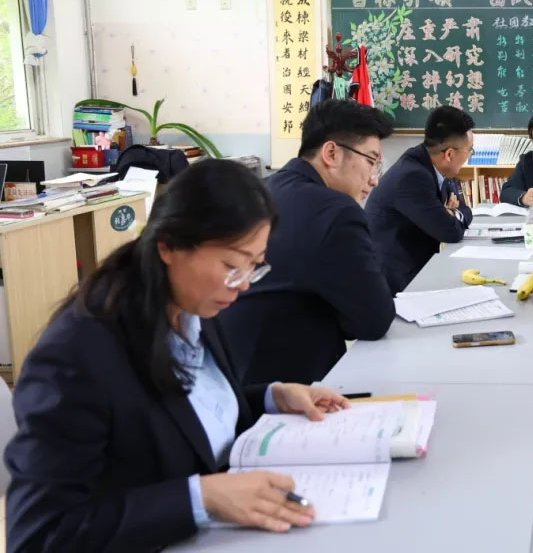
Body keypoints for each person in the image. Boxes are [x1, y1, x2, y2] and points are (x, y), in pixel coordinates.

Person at [4, 160, 352, 551]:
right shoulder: (76, 358)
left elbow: (186, 419)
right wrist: (201, 497)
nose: (242, 285)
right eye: (231, 265)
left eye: (254, 267)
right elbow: (40, 534)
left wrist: (272, 397)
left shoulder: (194, 307)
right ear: (168, 245)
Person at [219, 100, 395, 385]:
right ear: (331, 153)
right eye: (371, 162)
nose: (374, 180)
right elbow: (374, 321)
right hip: (293, 386)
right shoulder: (336, 211)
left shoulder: (264, 188)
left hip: (236, 374)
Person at [366, 105, 475, 294]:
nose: (469, 156)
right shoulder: (412, 176)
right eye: (469, 151)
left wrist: (451, 213)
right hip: (394, 281)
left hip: (417, 266)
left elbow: (466, 211)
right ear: (450, 154)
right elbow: (450, 232)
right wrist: (450, 215)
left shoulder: (433, 165)